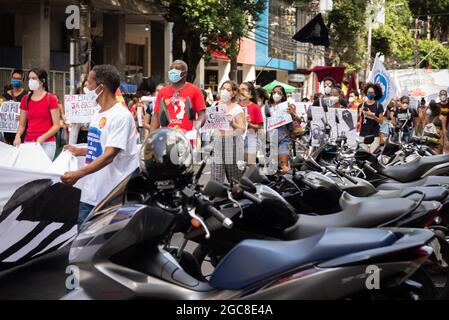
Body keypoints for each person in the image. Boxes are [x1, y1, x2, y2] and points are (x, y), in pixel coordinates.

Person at [61, 64, 138, 230]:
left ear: (101, 88)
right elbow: (100, 147)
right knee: (81, 245)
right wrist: (80, 151)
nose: (86, 88)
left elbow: (110, 154)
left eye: (89, 83)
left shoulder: (121, 116)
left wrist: (78, 173)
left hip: (111, 197)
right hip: (91, 193)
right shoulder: (98, 113)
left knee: (105, 249)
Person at [14, 68, 60, 160]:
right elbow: (22, 125)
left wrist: (42, 138)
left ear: (42, 81)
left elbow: (57, 125)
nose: (31, 81)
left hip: (47, 143)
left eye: (34, 78)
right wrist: (17, 136)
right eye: (29, 78)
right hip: (29, 142)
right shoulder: (25, 99)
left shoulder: (51, 98)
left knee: (42, 172)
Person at [150, 60, 206, 134]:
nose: (173, 71)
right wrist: (151, 137)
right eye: (171, 68)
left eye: (177, 68)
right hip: (167, 138)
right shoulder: (163, 92)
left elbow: (202, 114)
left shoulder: (195, 90)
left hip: (187, 138)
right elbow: (156, 116)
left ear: (185, 73)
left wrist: (196, 126)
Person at [211, 80, 246, 184]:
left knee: (235, 179)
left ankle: (238, 198)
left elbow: (242, 129)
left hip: (232, 144)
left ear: (233, 93)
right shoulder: (214, 105)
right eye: (223, 89)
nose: (224, 91)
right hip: (217, 143)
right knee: (216, 178)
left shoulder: (237, 108)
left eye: (228, 89)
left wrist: (233, 124)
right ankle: (216, 197)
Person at [268, 85, 298, 173]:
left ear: (283, 95)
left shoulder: (287, 107)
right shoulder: (267, 107)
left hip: (284, 140)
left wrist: (292, 114)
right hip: (271, 140)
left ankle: (286, 183)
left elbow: (298, 122)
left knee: (283, 166)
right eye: (274, 92)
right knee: (273, 168)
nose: (276, 95)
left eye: (279, 93)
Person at [2, 69, 29, 145]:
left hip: (22, 133)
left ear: (22, 80)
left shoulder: (27, 95)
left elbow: (33, 111)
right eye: (14, 78)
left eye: (18, 79)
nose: (15, 80)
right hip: (7, 133)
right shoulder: (6, 95)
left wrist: (24, 116)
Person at [239, 82, 263, 164]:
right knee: (238, 168)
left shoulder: (255, 107)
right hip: (237, 139)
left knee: (249, 167)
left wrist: (250, 124)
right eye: (239, 89)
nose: (240, 91)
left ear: (250, 93)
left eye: (244, 89)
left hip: (250, 139)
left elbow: (260, 126)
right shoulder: (235, 106)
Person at [357, 83, 384, 153]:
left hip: (374, 135)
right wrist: (359, 114)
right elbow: (357, 120)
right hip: (363, 134)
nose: (370, 94)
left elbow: (381, 121)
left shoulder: (379, 105)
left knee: (372, 156)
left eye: (372, 92)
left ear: (375, 94)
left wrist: (372, 115)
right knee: (363, 155)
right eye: (368, 92)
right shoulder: (361, 105)